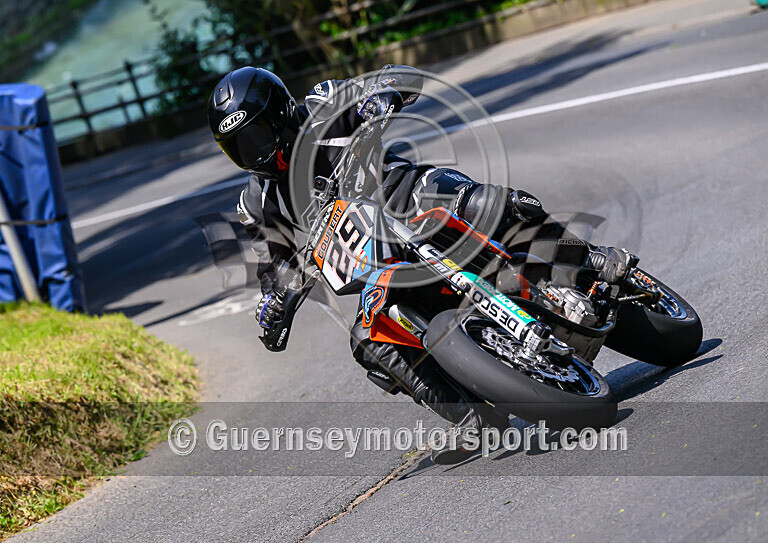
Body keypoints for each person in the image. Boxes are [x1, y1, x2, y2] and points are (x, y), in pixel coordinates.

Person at [207, 65, 636, 464]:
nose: (256, 152)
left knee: (488, 203)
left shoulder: (323, 104)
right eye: (241, 146)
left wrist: (382, 98)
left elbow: (400, 76)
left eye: (259, 134)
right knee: (366, 340)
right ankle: (474, 419)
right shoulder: (255, 203)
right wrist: (274, 303)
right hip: (373, 256)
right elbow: (272, 264)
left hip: (409, 196)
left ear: (280, 112)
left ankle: (587, 262)